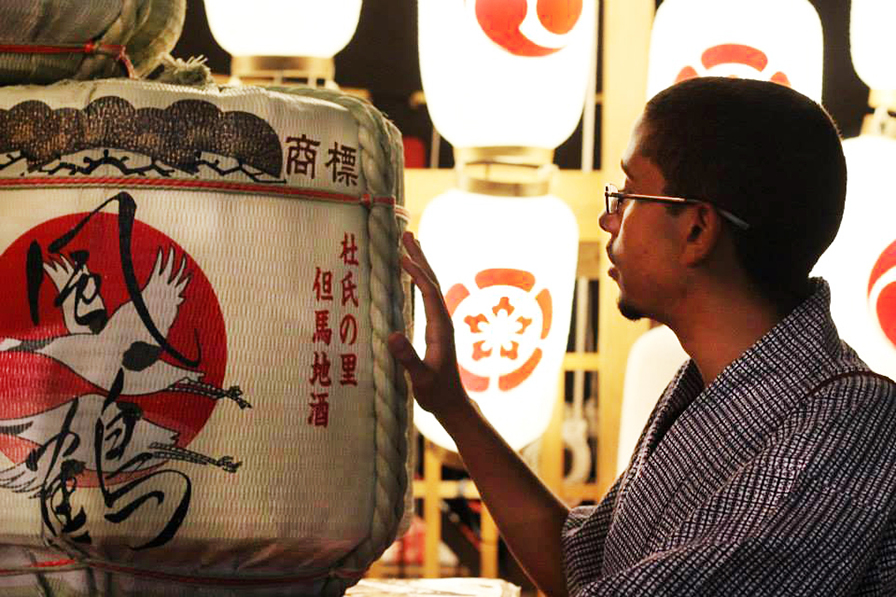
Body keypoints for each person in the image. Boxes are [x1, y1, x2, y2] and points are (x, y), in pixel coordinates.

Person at [387, 77, 896, 596]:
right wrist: (452, 405)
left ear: (697, 230)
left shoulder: (850, 425)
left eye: (629, 193)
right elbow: (579, 563)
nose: (610, 218)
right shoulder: (704, 385)